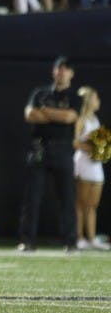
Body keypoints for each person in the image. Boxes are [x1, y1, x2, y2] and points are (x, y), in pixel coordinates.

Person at [20, 57, 82, 252]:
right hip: (39, 149)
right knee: (33, 197)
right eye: (59, 68)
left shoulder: (75, 97)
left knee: (67, 197)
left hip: (63, 149)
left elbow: (70, 117)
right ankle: (27, 241)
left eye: (65, 69)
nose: (61, 72)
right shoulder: (40, 93)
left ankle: (70, 242)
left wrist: (45, 111)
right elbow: (30, 115)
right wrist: (57, 115)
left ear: (71, 73)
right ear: (53, 71)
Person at [74, 86, 107, 250]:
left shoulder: (95, 120)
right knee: (81, 203)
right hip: (83, 164)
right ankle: (79, 238)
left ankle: (92, 238)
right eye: (96, 98)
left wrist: (102, 149)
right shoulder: (81, 120)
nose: (98, 101)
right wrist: (90, 149)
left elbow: (99, 143)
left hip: (96, 166)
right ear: (88, 101)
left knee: (93, 205)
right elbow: (73, 142)